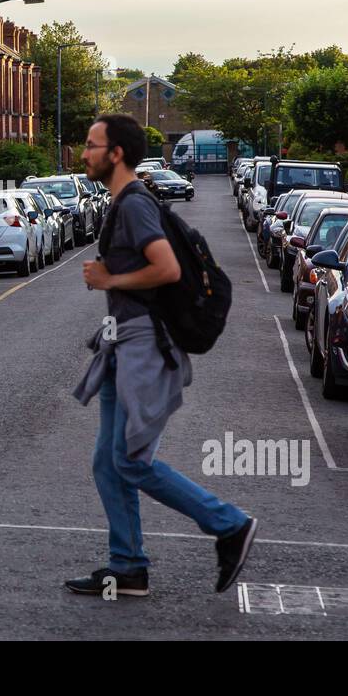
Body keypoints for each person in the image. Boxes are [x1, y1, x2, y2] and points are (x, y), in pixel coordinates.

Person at [67, 114, 256, 598]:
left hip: (143, 347)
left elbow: (167, 268)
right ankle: (128, 566)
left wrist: (109, 279)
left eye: (91, 145)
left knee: (130, 461)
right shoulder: (124, 203)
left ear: (115, 154)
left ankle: (229, 524)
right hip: (119, 345)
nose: (83, 152)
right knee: (108, 464)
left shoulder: (133, 206)